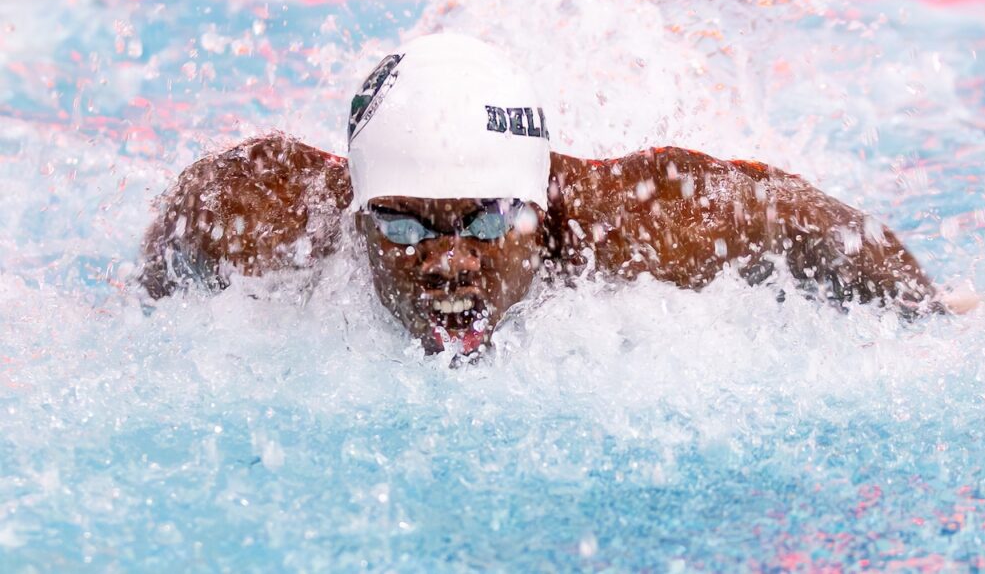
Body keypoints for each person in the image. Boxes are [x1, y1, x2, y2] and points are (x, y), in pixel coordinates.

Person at [139, 33, 940, 358]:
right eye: (404, 224)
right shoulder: (264, 216)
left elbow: (815, 223)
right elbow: (184, 219)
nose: (447, 264)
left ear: (540, 209)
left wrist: (940, 323)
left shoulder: (642, 226)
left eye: (486, 221)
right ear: (358, 212)